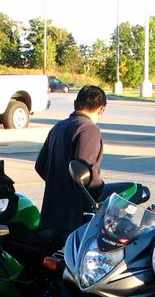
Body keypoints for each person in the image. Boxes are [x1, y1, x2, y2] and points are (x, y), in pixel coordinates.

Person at [34, 85, 107, 245]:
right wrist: (102, 195)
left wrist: (58, 183)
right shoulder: (89, 129)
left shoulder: (58, 127)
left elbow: (40, 165)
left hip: (51, 214)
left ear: (76, 103)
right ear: (102, 109)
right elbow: (87, 172)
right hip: (74, 218)